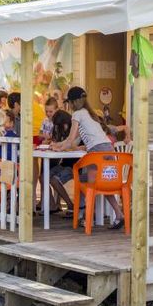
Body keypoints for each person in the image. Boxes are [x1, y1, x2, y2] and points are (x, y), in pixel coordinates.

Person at [52, 86, 125, 230]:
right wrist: (58, 145)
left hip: (96, 152)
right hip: (109, 150)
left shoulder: (77, 114)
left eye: (69, 102)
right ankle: (119, 214)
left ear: (73, 102)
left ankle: (87, 218)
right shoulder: (90, 115)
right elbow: (74, 139)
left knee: (85, 183)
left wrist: (58, 148)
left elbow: (70, 140)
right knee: (104, 183)